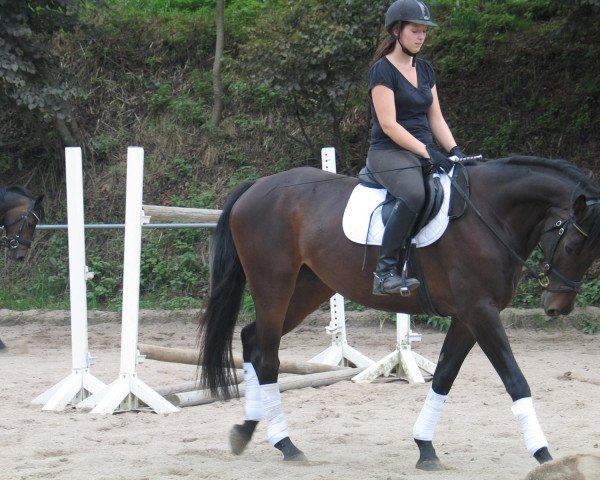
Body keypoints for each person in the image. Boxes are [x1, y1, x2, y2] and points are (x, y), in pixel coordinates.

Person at [368, 0, 466, 296]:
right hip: (388, 152)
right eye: (415, 30)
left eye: (424, 31)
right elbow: (389, 125)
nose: (421, 36)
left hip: (421, 149)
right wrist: (428, 152)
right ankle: (384, 272)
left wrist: (454, 149)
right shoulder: (381, 71)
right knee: (414, 192)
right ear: (397, 30)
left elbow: (435, 117)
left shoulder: (424, 69)